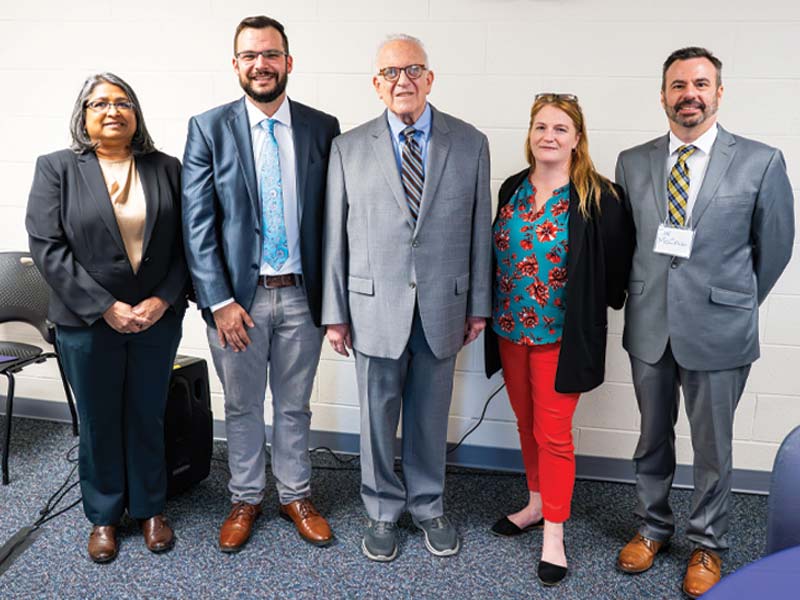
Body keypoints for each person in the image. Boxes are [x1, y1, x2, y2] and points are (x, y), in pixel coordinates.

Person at [615, 47, 795, 598]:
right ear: (663, 95)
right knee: (651, 437)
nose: (688, 93)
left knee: (713, 445)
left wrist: (733, 300)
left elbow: (777, 248)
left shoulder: (761, 161)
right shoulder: (632, 160)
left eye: (700, 83)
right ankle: (653, 527)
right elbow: (627, 243)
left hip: (720, 327)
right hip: (649, 323)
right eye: (677, 85)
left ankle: (708, 543)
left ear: (719, 93)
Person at [323, 34, 491, 562]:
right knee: (376, 416)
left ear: (430, 78)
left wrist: (480, 304)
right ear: (376, 84)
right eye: (392, 72)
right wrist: (335, 315)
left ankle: (428, 505)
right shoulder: (348, 147)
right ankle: (380, 510)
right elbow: (336, 236)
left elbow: (478, 230)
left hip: (445, 306)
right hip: (371, 307)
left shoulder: (470, 143)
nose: (404, 81)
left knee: (429, 414)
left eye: (414, 70)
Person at [182, 15, 340, 551]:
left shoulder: (323, 127)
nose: (261, 64)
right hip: (236, 303)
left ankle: (296, 494)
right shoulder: (208, 128)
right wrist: (219, 301)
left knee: (294, 405)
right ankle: (245, 497)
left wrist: (335, 300)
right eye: (250, 55)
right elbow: (197, 223)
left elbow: (333, 220)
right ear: (235, 65)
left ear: (289, 62)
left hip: (301, 294)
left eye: (271, 54)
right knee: (243, 406)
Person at [26, 73, 187, 563]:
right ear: (83, 116)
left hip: (155, 318)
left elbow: (187, 244)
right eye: (99, 104)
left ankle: (150, 508)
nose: (112, 110)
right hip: (86, 322)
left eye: (122, 102)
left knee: (147, 412)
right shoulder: (57, 168)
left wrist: (162, 300)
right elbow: (47, 247)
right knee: (97, 420)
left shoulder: (166, 167)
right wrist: (104, 307)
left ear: (136, 114)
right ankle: (103, 515)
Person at [483, 93, 634, 585]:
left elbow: (616, 273)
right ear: (530, 135)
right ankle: (534, 503)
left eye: (560, 128)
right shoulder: (511, 189)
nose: (549, 136)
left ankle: (554, 533)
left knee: (554, 435)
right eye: (541, 127)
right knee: (526, 426)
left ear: (577, 138)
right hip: (510, 331)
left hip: (560, 339)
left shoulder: (598, 197)